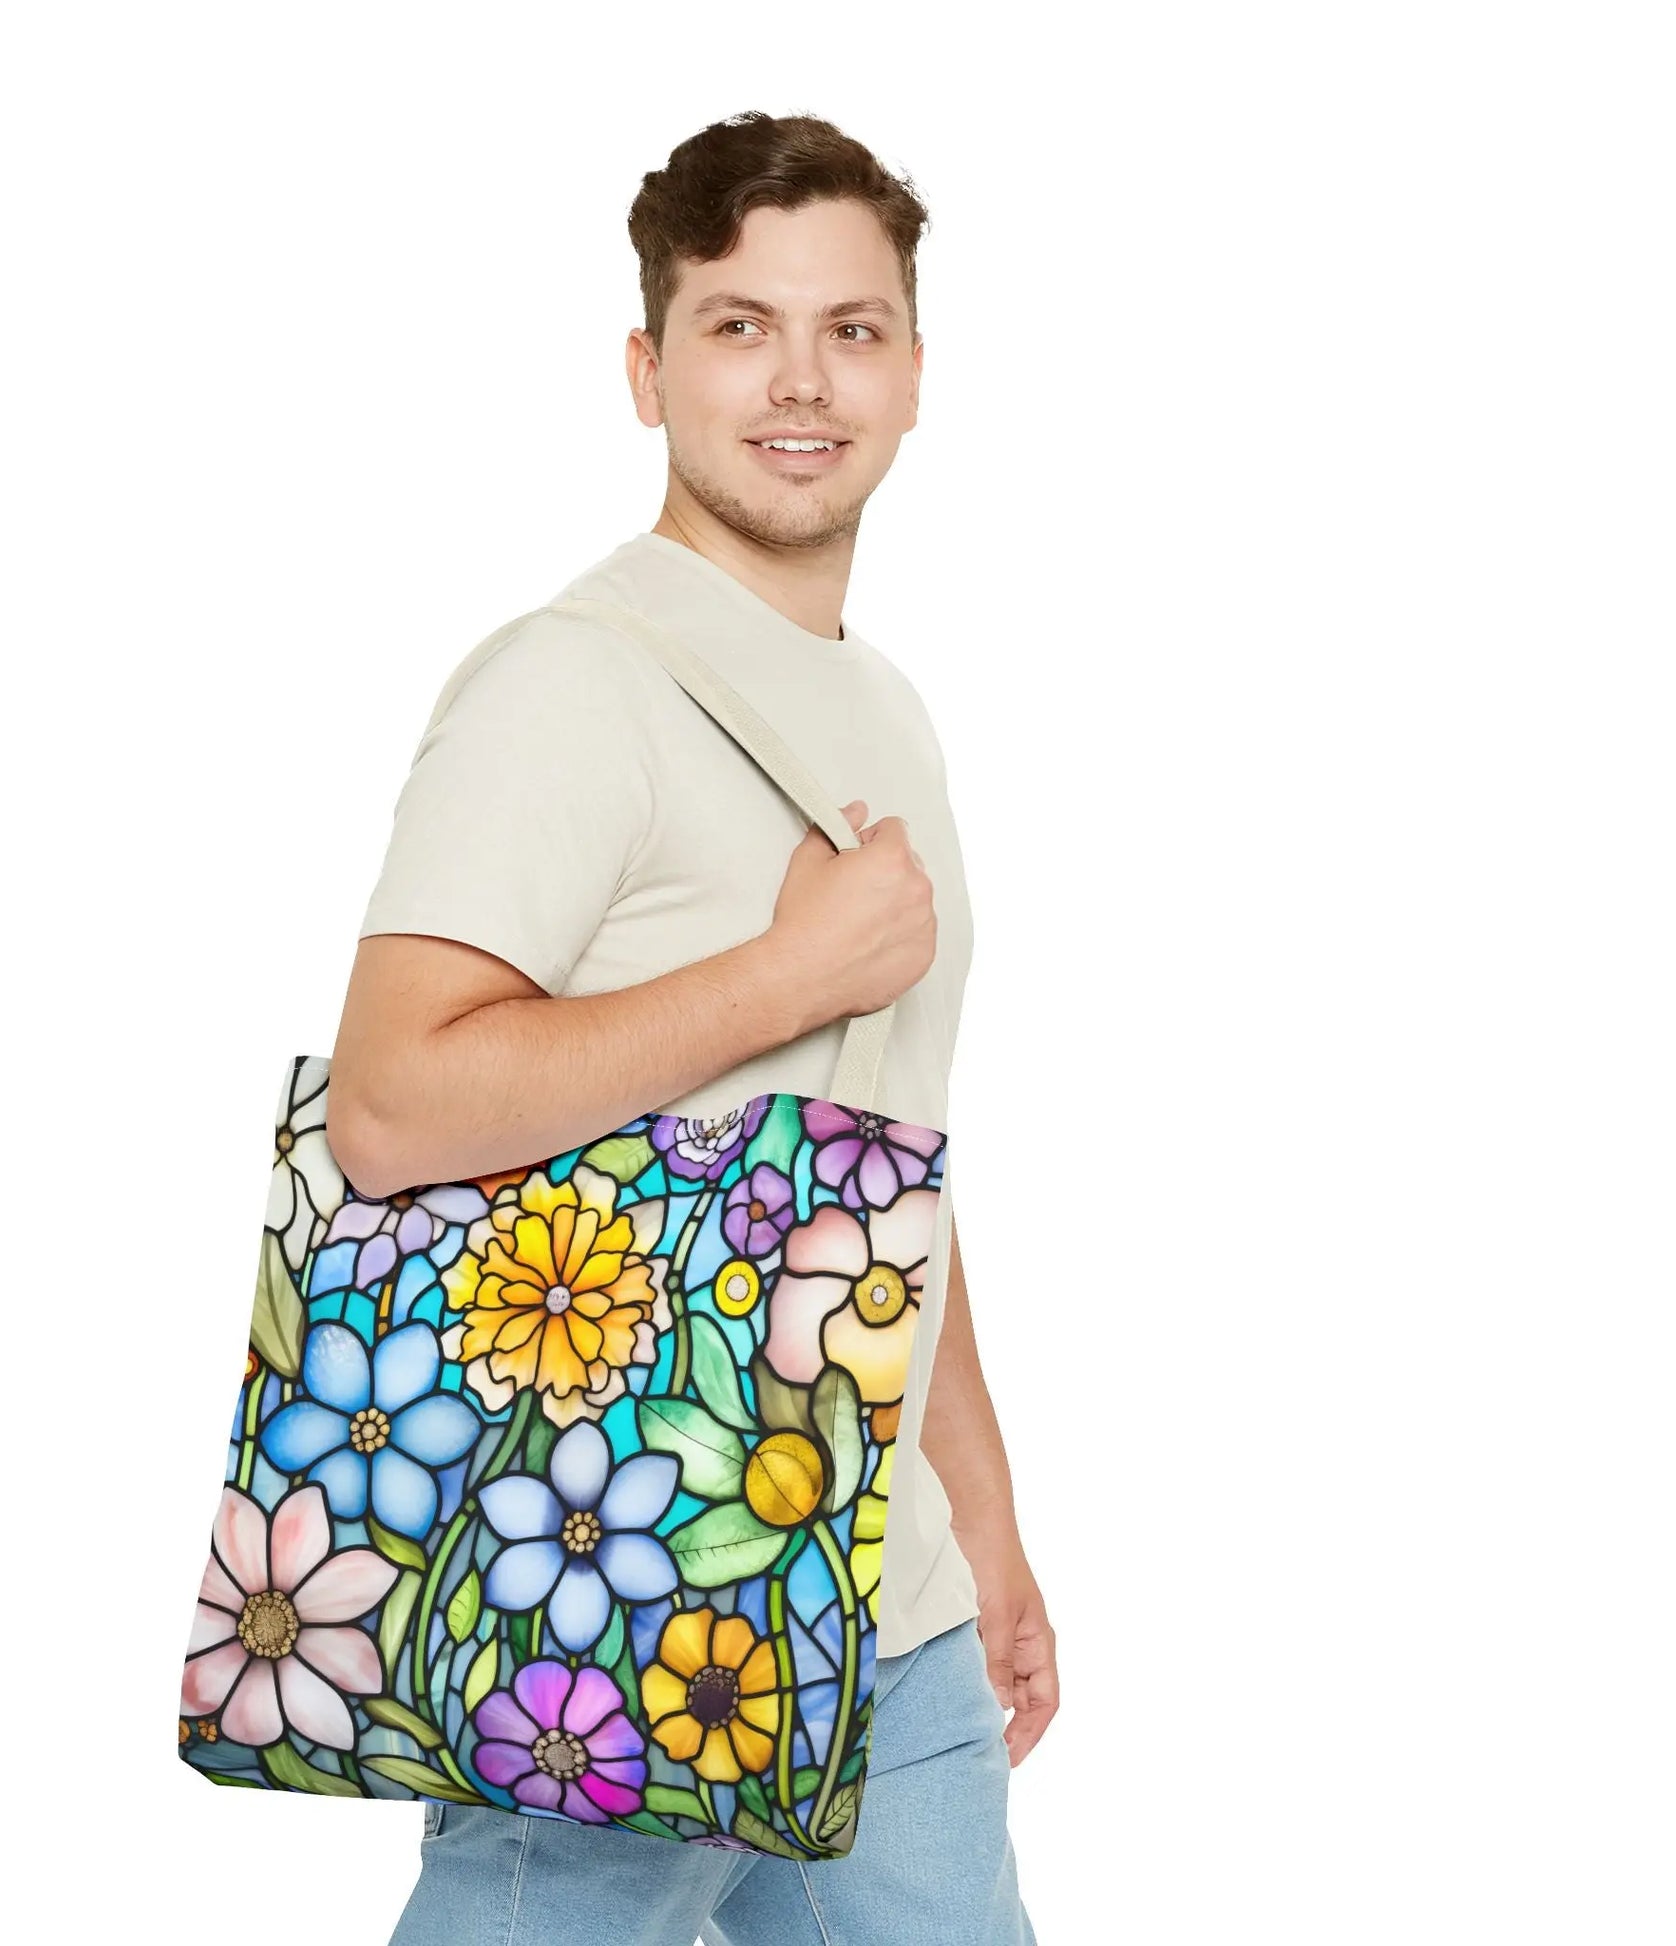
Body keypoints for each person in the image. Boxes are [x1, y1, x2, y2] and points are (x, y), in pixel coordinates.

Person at [327, 109, 1054, 1945]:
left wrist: (987, 1521)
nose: (800, 380)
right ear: (647, 371)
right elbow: (393, 1105)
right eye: (739, 326)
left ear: (910, 374)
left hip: (888, 1626)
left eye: (851, 328)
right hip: (624, 1606)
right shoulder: (568, 684)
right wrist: (779, 977)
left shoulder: (881, 707)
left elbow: (888, 1147)